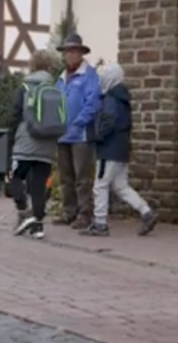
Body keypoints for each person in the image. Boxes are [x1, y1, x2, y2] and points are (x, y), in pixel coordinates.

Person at [80, 63, 158, 237]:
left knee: (100, 185)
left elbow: (108, 120)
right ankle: (146, 211)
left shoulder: (110, 99)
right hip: (121, 149)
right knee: (121, 186)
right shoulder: (123, 99)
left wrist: (97, 135)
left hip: (108, 149)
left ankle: (100, 223)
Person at [9, 50, 60, 239]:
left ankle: (24, 211)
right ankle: (38, 226)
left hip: (26, 142)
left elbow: (15, 115)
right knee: (39, 185)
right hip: (48, 143)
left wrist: (13, 139)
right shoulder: (55, 87)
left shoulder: (25, 87)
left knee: (14, 177)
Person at [53, 32, 102, 229]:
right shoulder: (61, 77)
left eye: (73, 51)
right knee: (66, 177)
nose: (70, 55)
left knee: (82, 176)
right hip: (62, 134)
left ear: (81, 53)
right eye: (67, 51)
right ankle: (69, 211)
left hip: (80, 134)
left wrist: (78, 122)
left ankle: (85, 213)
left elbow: (93, 103)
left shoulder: (89, 75)